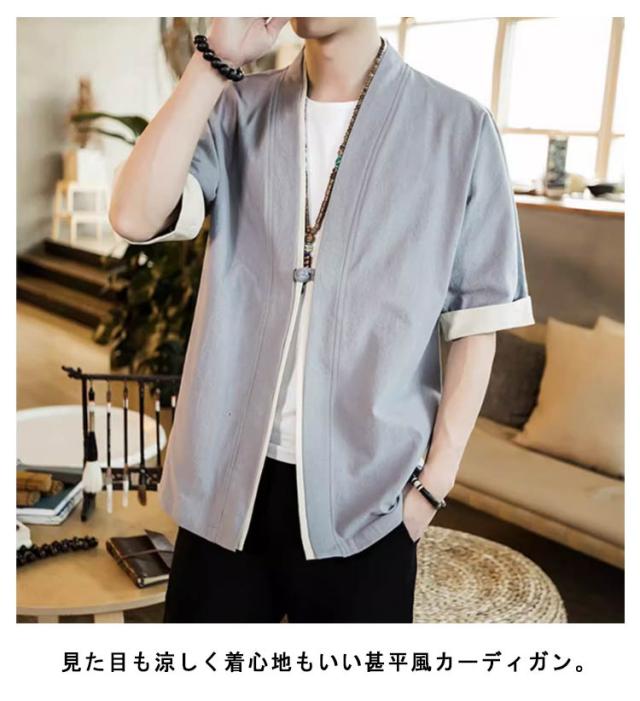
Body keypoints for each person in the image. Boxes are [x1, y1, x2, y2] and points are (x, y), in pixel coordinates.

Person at [109, 17, 535, 623]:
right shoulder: (236, 108)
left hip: (369, 504)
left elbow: (478, 319)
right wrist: (212, 61)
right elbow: (133, 216)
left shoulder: (458, 128)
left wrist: (432, 487)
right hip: (226, 489)